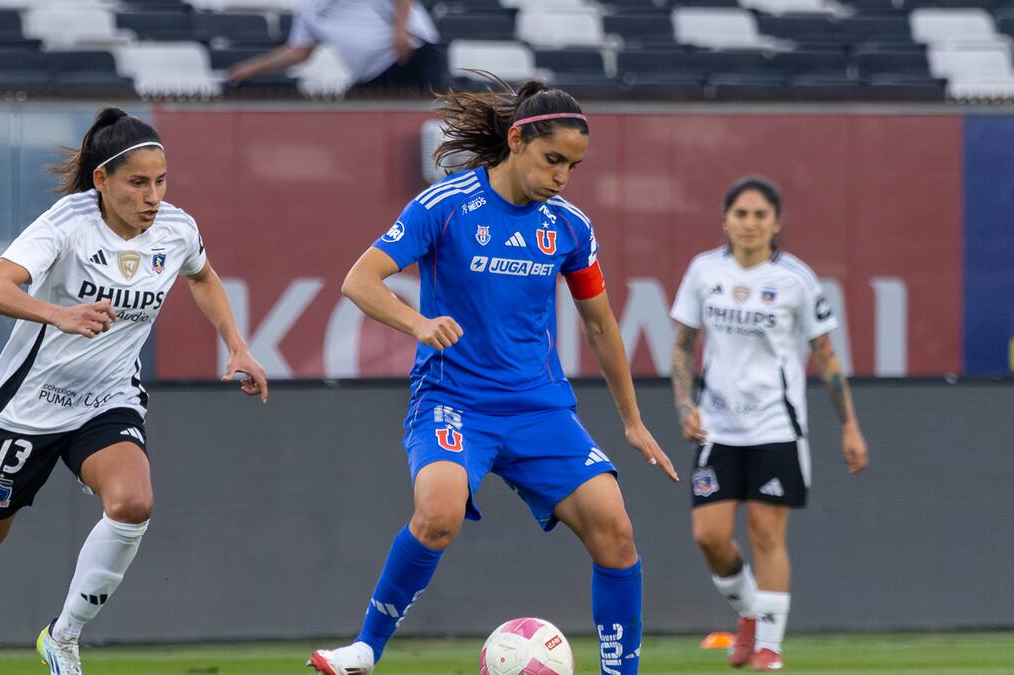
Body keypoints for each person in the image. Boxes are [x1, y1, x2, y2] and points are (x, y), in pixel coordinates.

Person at [0, 108, 268, 675]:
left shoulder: (177, 229)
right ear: (101, 182)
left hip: (106, 400)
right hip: (29, 409)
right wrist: (57, 313)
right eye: (137, 183)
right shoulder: (66, 224)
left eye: (160, 181)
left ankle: (63, 637)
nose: (152, 195)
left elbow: (201, 275)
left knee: (133, 504)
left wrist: (237, 345)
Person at [307, 76, 678, 675]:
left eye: (573, 166)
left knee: (616, 530)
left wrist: (632, 423)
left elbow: (603, 327)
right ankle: (364, 650)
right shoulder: (444, 205)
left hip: (539, 410)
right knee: (439, 511)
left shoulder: (570, 228)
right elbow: (360, 280)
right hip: (456, 401)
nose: (562, 176)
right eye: (553, 159)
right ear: (516, 141)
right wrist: (418, 324)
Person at [669, 176, 869, 672]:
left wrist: (849, 426)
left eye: (761, 215)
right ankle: (750, 614)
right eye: (741, 214)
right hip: (716, 427)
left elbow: (826, 357)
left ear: (776, 223)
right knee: (709, 536)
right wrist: (681, 403)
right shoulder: (703, 271)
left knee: (765, 532)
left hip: (778, 428)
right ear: (725, 221)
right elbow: (681, 345)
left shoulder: (796, 280)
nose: (751, 223)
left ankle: (769, 649)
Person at [226, 0, 447, 96]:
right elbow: (298, 52)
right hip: (371, 77)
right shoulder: (309, 10)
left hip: (411, 59)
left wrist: (400, 31)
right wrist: (250, 69)